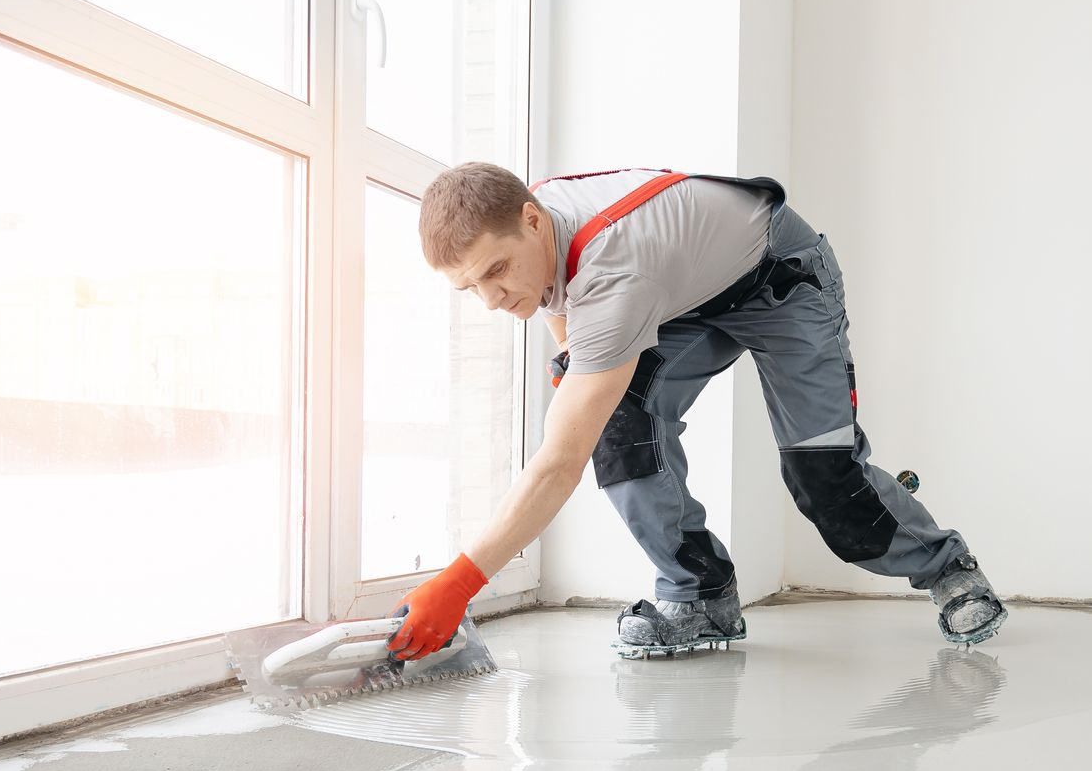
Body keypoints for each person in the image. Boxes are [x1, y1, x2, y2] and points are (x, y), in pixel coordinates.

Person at [384, 164, 1006, 662]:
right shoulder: (537, 216)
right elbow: (557, 293)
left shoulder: (614, 267)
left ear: (530, 221)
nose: (492, 300)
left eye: (497, 272)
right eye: (471, 288)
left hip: (779, 279)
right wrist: (576, 359)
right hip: (683, 293)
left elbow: (558, 464)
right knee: (621, 428)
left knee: (825, 478)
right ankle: (701, 595)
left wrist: (460, 583)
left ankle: (949, 567)